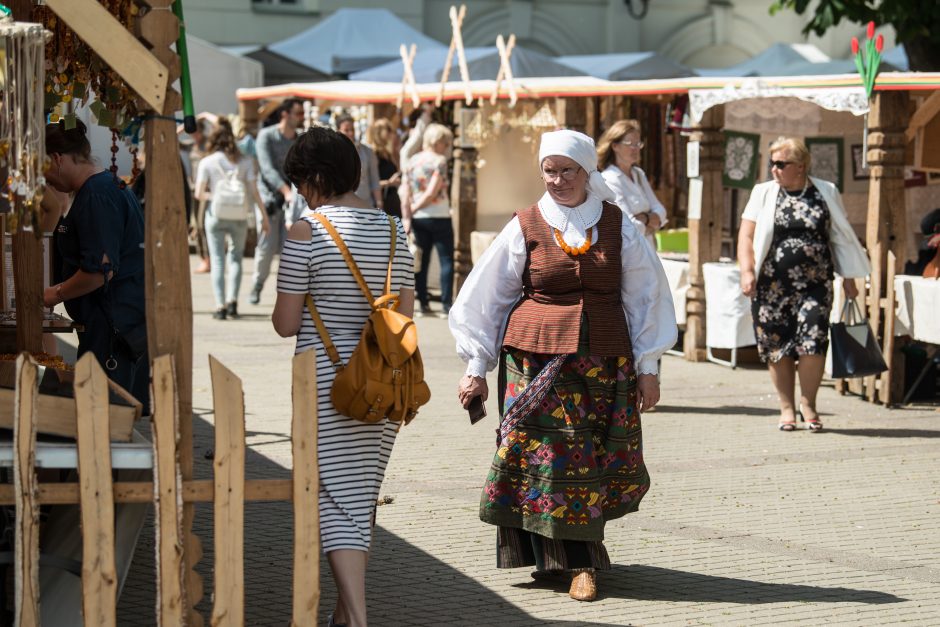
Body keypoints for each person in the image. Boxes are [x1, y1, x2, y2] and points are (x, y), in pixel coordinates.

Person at [449, 129, 677, 602]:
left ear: (587, 171)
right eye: (548, 171)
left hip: (602, 365)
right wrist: (475, 364)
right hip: (533, 363)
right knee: (549, 460)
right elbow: (486, 297)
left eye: (566, 170)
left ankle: (562, 559)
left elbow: (645, 296)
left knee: (585, 461)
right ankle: (577, 565)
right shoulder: (526, 224)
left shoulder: (616, 225)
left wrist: (649, 365)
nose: (557, 180)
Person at [271, 127, 414, 627]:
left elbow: (286, 322)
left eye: (299, 183)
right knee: (358, 497)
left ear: (314, 178)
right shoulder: (396, 231)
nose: (299, 195)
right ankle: (341, 614)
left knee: (333, 496)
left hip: (326, 385)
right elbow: (404, 318)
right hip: (381, 382)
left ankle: (356, 617)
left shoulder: (307, 232)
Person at [737, 136, 870, 432]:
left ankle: (808, 403)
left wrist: (849, 277)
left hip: (816, 285)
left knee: (813, 342)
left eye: (780, 164)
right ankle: (786, 407)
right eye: (771, 163)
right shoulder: (763, 193)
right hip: (771, 285)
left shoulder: (826, 191)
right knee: (777, 346)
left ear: (800, 166)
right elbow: (746, 235)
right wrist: (747, 271)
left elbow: (841, 237)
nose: (774, 169)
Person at [42, 119, 150, 411]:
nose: (46, 180)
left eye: (44, 170)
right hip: (109, 323)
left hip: (112, 327)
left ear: (56, 158)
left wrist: (54, 294)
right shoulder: (102, 187)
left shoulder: (97, 195)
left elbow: (99, 271)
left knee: (103, 415)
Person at [194, 126, 270, 320]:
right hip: (239, 215)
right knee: (235, 258)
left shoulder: (207, 162)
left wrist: (216, 196)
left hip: (215, 215)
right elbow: (254, 192)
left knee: (218, 259)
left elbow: (199, 194)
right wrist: (264, 217)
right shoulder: (245, 162)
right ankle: (232, 302)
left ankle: (220, 306)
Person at [250, 98, 305, 305]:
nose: (301, 118)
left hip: (293, 200)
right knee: (266, 246)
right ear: (285, 114)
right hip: (269, 198)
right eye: (298, 113)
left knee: (288, 249)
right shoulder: (266, 136)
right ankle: (257, 285)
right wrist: (284, 190)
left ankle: (285, 293)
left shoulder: (299, 139)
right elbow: (266, 168)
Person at [401, 123, 454, 316]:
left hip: (419, 218)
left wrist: (409, 212)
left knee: (420, 260)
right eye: (445, 142)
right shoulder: (440, 161)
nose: (446, 146)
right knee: (446, 260)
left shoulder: (412, 161)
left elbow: (405, 190)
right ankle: (446, 305)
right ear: (438, 141)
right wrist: (416, 207)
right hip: (439, 215)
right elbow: (433, 191)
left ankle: (422, 302)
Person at [598, 120, 667, 250]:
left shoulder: (639, 174)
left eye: (638, 144)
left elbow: (661, 211)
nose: (635, 149)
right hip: (629, 254)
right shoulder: (609, 178)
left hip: (648, 250)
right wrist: (651, 221)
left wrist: (644, 218)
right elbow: (628, 225)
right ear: (615, 146)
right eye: (630, 144)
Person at [336, 114, 383, 211]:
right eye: (346, 130)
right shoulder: (333, 153)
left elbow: (374, 180)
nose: (351, 133)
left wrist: (379, 203)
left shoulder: (367, 151)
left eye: (352, 129)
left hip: (366, 204)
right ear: (338, 131)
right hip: (342, 207)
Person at [366, 118, 402, 218]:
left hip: (392, 199)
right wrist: (389, 182)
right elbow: (371, 183)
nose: (393, 134)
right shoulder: (373, 154)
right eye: (389, 130)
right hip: (381, 203)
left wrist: (396, 151)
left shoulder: (388, 153)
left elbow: (397, 170)